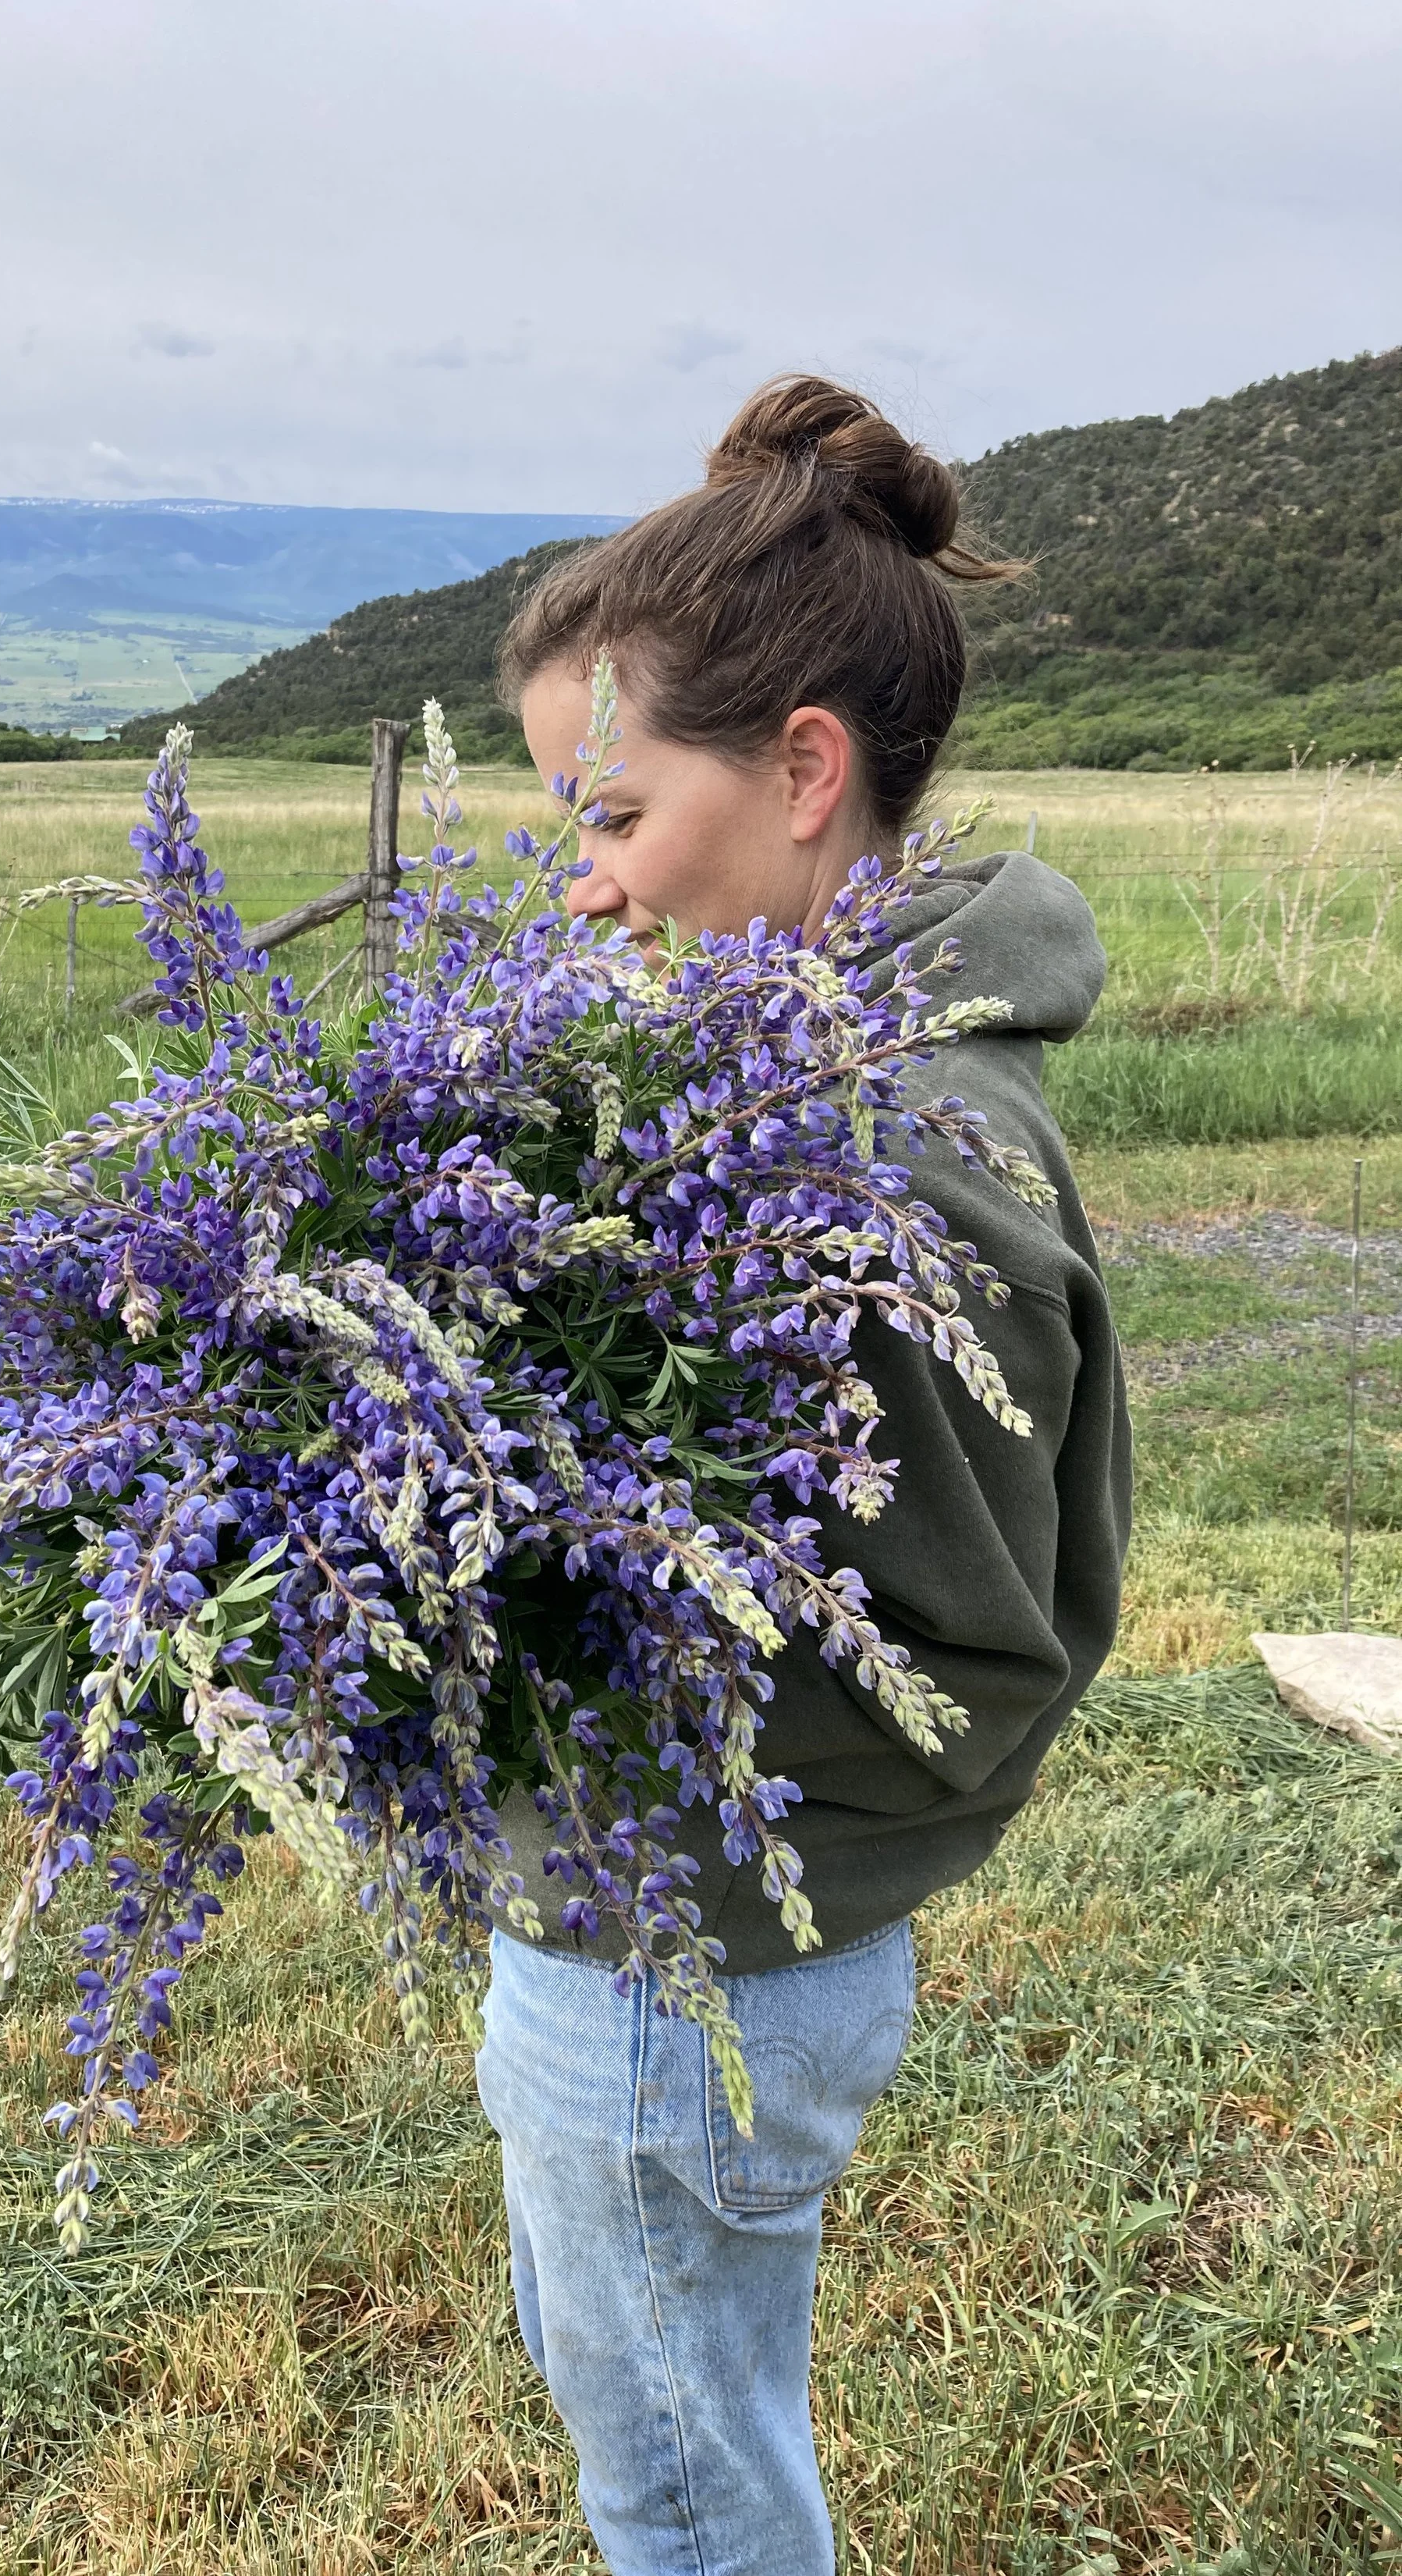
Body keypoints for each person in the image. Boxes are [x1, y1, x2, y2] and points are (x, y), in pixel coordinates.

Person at [475, 375, 1134, 2576]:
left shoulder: (889, 1165)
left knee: (681, 2489)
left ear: (802, 771)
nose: (577, 888)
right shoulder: (790, 1088)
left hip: (700, 1948)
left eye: (607, 813)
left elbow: (968, 1637)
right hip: (681, 1925)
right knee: (665, 2405)